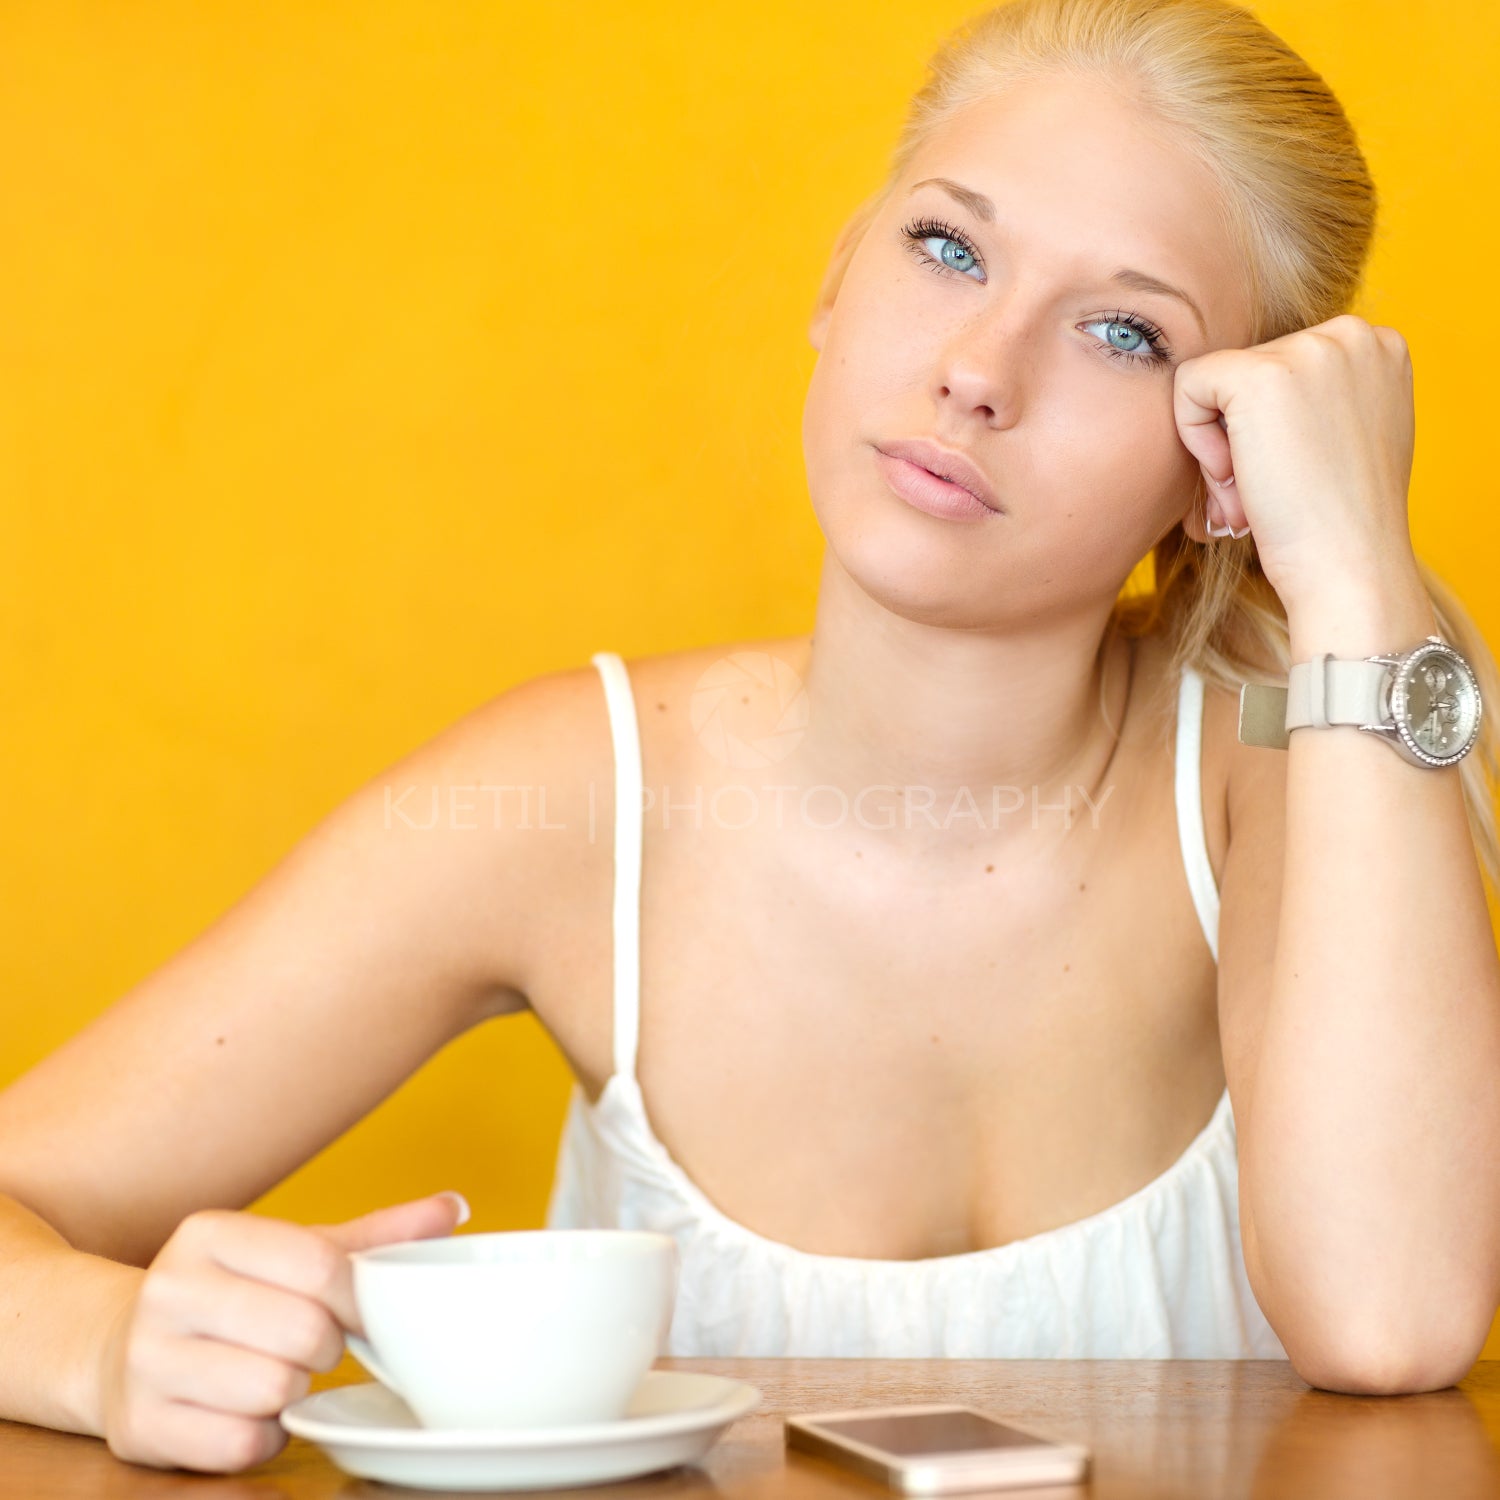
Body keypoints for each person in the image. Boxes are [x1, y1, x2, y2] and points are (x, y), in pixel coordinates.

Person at [3, 0, 1499, 1477]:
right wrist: (93, 1344)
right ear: (835, 281)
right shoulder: (575, 796)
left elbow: (1392, 1322)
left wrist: (1359, 568)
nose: (980, 366)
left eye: (1122, 330)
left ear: (1224, 460)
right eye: (947, 248)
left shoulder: (1285, 780)